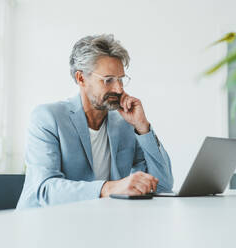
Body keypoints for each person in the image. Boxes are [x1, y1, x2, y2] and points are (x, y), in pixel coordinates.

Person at [16, 34, 173, 209]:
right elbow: (46, 191)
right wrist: (109, 188)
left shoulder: (124, 125)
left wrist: (142, 127)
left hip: (98, 224)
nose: (119, 89)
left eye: (121, 79)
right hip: (45, 225)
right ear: (81, 78)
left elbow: (163, 186)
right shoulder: (47, 118)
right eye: (108, 80)